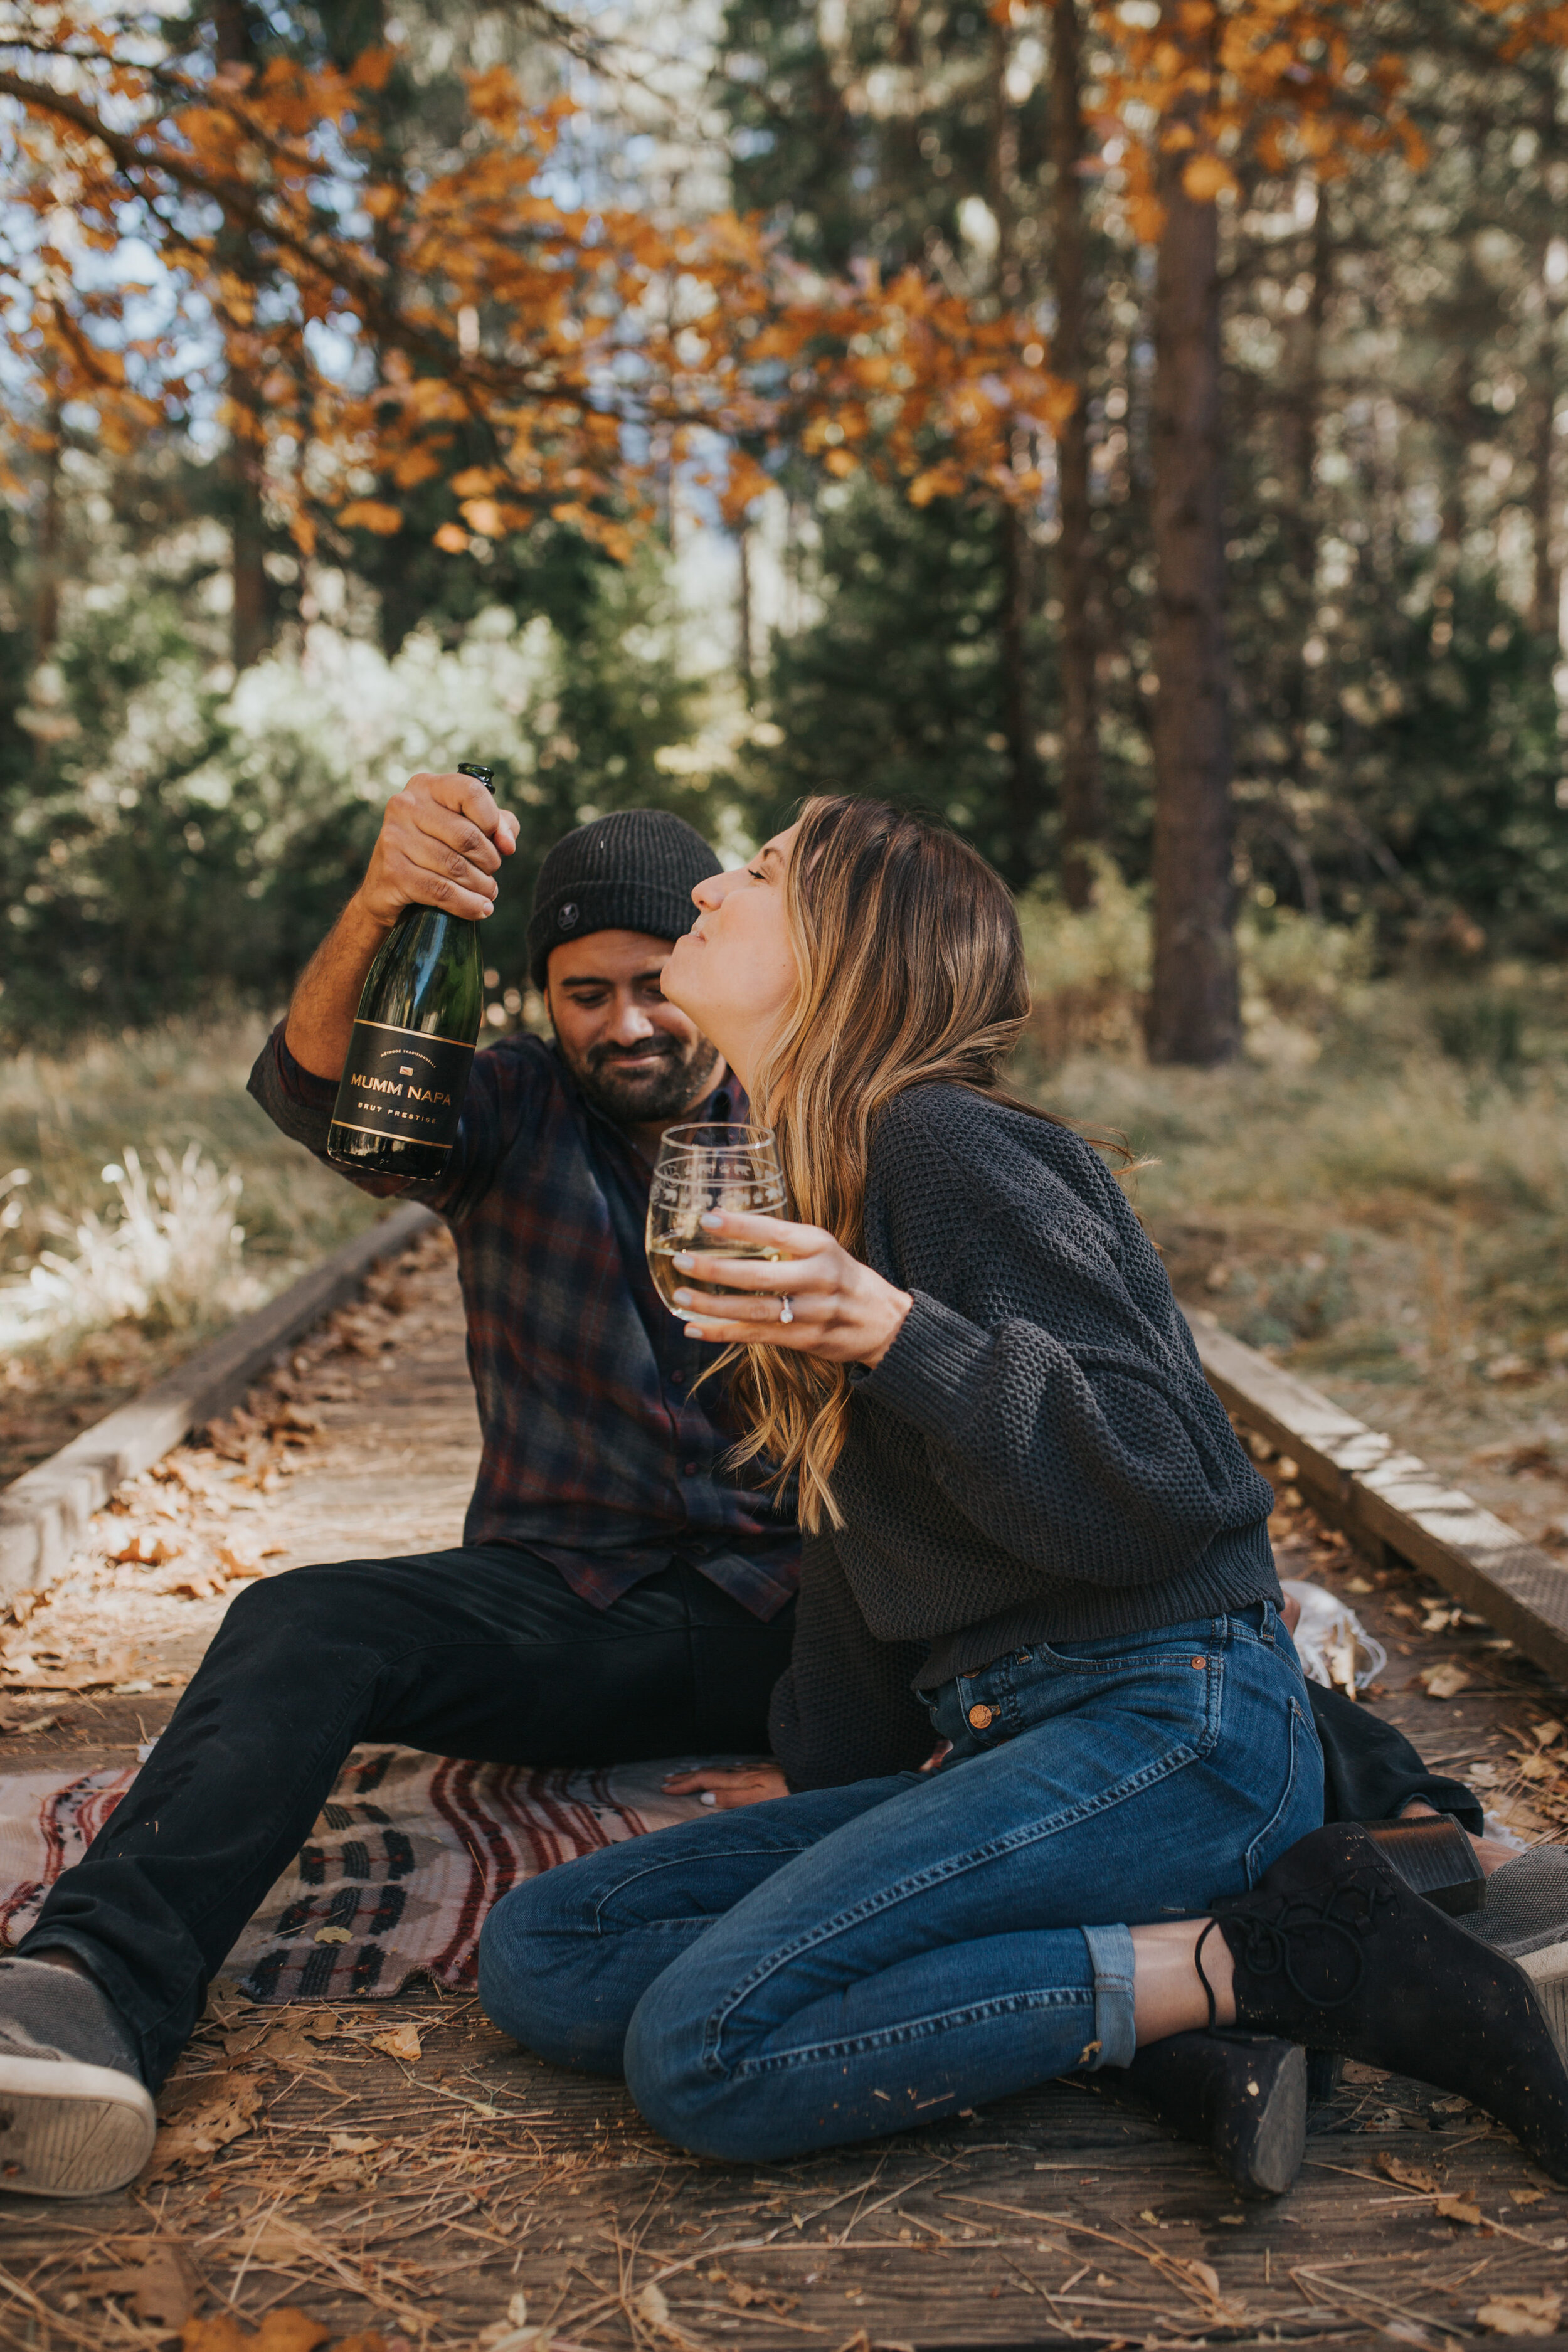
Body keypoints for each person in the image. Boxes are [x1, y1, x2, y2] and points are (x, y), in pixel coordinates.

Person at [477, 795, 1568, 2186]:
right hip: (1012, 1739)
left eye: (749, 876)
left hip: (1172, 1728)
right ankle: (1156, 2002)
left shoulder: (939, 1144)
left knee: (706, 2049)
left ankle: (1277, 1954)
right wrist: (829, 1793)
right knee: (549, 1954)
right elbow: (861, 1543)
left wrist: (897, 1336)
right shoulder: (823, 1175)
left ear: (844, 954)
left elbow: (1178, 1485)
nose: (704, 894)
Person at [0, 778, 801, 2199]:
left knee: (1112, 1677)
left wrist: (856, 1724)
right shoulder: (500, 1106)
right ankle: (92, 1994)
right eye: (583, 992)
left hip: (797, 1624)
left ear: (709, 964)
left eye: (653, 984)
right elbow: (316, 1093)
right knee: (303, 1623)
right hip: (567, 1610)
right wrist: (383, 901)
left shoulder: (814, 1118)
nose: (625, 1022)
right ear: (542, 1000)